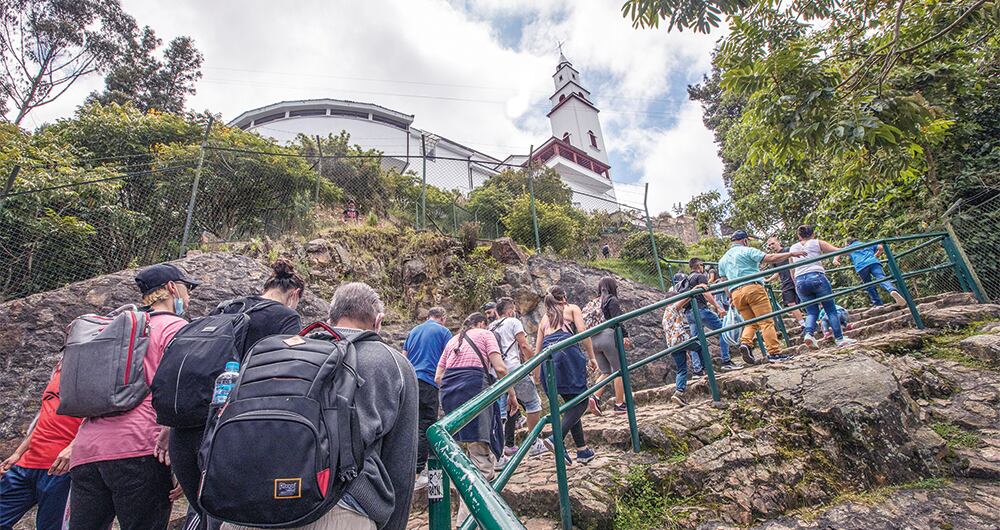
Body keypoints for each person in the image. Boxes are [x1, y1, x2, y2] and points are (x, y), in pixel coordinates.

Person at [224, 282, 419, 530]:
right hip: (340, 505)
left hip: (251, 503)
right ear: (378, 321)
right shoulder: (392, 363)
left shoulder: (287, 350)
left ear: (330, 317)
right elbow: (400, 462)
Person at [169, 259, 305, 530]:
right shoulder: (286, 317)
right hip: (232, 432)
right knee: (229, 514)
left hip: (185, 428)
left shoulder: (226, 308)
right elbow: (286, 376)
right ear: (295, 295)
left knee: (205, 510)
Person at [69, 263, 198, 529]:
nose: (190, 296)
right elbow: (179, 390)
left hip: (86, 451)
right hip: (140, 447)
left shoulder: (117, 328)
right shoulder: (175, 327)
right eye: (188, 289)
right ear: (173, 288)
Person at [435, 312, 515, 522]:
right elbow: (500, 368)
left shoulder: (453, 340)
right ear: (481, 324)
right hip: (474, 389)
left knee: (466, 453)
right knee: (480, 457)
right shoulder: (485, 334)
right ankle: (470, 520)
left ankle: (477, 510)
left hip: (450, 396)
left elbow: (438, 377)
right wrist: (512, 395)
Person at [1, 362, 82, 530]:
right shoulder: (59, 369)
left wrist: (74, 446)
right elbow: (45, 417)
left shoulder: (99, 365)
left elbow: (104, 415)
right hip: (26, 464)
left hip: (60, 469)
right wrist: (18, 452)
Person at [718, 230, 806, 363]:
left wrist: (730, 296)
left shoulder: (723, 260)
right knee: (766, 322)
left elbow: (724, 281)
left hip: (736, 293)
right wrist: (791, 253)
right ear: (745, 240)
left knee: (751, 322)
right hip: (753, 288)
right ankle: (774, 353)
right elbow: (770, 258)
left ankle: (745, 343)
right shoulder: (747, 251)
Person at [535, 286, 599, 465]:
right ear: (564, 296)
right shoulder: (571, 308)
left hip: (549, 362)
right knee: (583, 401)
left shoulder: (544, 319)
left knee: (572, 404)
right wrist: (592, 357)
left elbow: (537, 350)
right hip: (567, 355)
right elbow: (583, 333)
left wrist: (537, 374)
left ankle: (582, 450)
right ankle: (556, 438)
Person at [489, 298, 546, 462]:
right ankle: (534, 442)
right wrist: (535, 366)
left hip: (496, 372)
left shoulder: (491, 327)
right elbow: (524, 345)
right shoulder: (513, 322)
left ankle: (499, 451)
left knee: (502, 410)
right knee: (533, 403)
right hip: (513, 369)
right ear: (509, 311)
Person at [402, 306, 452, 489]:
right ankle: (419, 474)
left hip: (411, 381)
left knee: (414, 425)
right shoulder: (443, 331)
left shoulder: (414, 331)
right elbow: (449, 356)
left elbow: (404, 356)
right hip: (429, 382)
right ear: (443, 318)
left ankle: (412, 472)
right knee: (427, 426)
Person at [789, 225, 858, 348]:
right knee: (830, 309)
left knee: (811, 312)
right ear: (813, 234)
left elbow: (792, 269)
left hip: (800, 281)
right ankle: (839, 339)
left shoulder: (793, 248)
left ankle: (809, 334)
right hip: (816, 276)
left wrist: (796, 285)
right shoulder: (816, 242)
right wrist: (853, 248)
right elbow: (837, 251)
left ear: (799, 236)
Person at [683, 258, 738, 372]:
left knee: (695, 341)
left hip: (689, 312)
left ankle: (697, 369)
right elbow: (706, 292)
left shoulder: (687, 278)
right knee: (723, 330)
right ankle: (726, 360)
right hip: (701, 310)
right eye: (702, 266)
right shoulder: (700, 276)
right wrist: (718, 307)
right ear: (699, 266)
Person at [589, 277, 634, 415]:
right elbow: (616, 320)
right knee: (618, 371)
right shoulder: (611, 300)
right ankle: (620, 404)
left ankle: (594, 396)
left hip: (593, 339)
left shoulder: (594, 302)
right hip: (607, 336)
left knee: (605, 372)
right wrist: (625, 335)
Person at [834, 238, 906, 307]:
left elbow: (839, 252)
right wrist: (877, 254)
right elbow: (880, 247)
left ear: (848, 244)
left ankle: (878, 304)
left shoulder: (849, 247)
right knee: (881, 277)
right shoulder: (866, 243)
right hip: (873, 262)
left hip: (861, 266)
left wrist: (835, 260)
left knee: (869, 284)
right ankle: (891, 290)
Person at [765, 236, 806, 325]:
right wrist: (768, 280)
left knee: (804, 300)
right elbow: (777, 273)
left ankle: (812, 321)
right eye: (769, 245)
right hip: (786, 282)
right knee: (790, 303)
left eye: (773, 243)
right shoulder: (774, 258)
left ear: (778, 242)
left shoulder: (788, 250)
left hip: (797, 277)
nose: (771, 246)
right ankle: (803, 324)